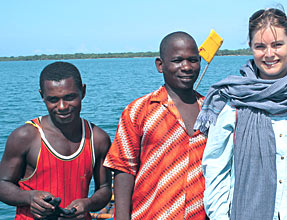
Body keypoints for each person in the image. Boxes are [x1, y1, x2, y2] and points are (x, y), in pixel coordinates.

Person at [195, 8, 287, 220]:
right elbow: (216, 168)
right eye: (260, 46)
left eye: (277, 45)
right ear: (251, 47)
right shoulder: (233, 101)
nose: (269, 54)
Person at [103, 31, 208, 220]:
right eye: (177, 60)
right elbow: (124, 169)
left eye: (193, 60)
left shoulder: (211, 111)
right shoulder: (138, 111)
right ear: (160, 65)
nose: (186, 67)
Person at [0, 61, 112, 219]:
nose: (62, 106)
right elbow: (3, 183)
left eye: (69, 97)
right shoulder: (25, 136)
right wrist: (29, 197)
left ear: (83, 92)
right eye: (53, 100)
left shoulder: (98, 138)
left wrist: (88, 204)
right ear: (42, 96)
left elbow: (105, 188)